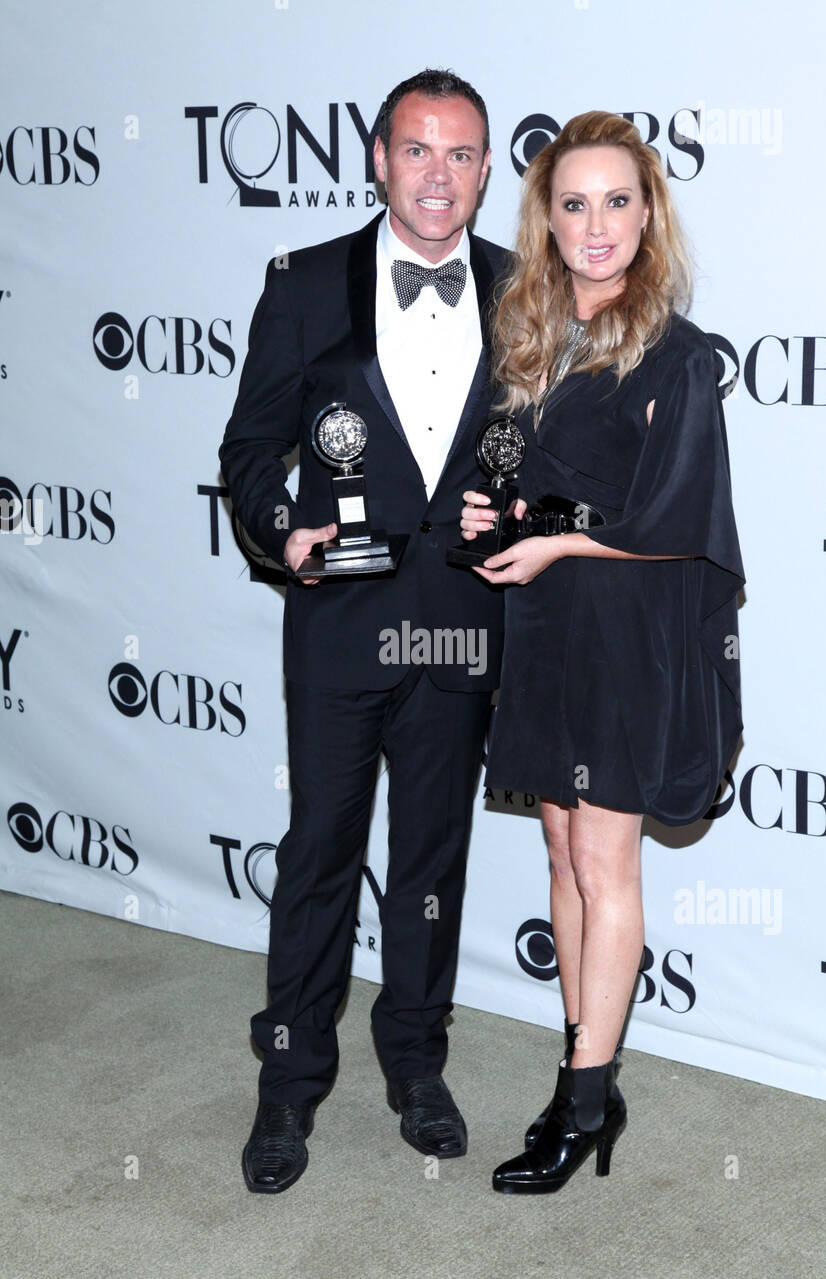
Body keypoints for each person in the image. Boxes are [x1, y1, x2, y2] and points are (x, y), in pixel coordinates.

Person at [219, 69, 508, 1194]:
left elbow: (541, 458)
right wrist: (276, 530)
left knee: (431, 858)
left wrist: (520, 517)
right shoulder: (301, 284)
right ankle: (287, 1086)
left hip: (456, 627)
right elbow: (248, 449)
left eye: (462, 154)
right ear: (378, 159)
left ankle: (416, 1064)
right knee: (318, 857)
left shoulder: (520, 288)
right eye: (417, 150)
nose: (437, 175)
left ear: (486, 172)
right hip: (340, 623)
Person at [459, 112, 745, 1194]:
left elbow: (677, 511)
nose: (595, 224)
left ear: (647, 214)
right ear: (544, 218)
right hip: (542, 627)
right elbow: (497, 447)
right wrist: (492, 514)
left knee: (600, 862)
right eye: (573, 203)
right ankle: (586, 1059)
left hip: (621, 628)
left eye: (616, 201)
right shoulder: (526, 330)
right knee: (557, 857)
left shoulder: (673, 353)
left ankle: (582, 1098)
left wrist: (558, 539)